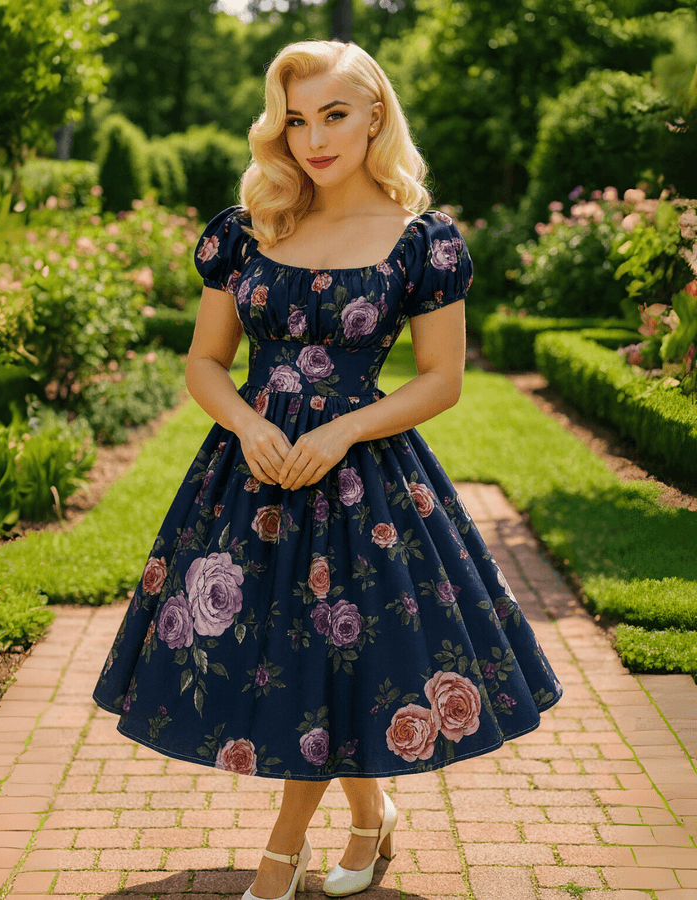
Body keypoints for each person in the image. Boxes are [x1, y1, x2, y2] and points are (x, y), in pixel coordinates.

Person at [92, 38, 563, 900]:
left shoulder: (423, 241)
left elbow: (442, 379)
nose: (313, 138)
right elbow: (204, 362)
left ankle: (282, 856)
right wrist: (245, 423)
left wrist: (343, 431)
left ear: (375, 116)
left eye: (334, 115)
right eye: (296, 120)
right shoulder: (246, 229)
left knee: (330, 652)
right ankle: (371, 817)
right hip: (251, 479)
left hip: (361, 484)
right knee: (304, 658)